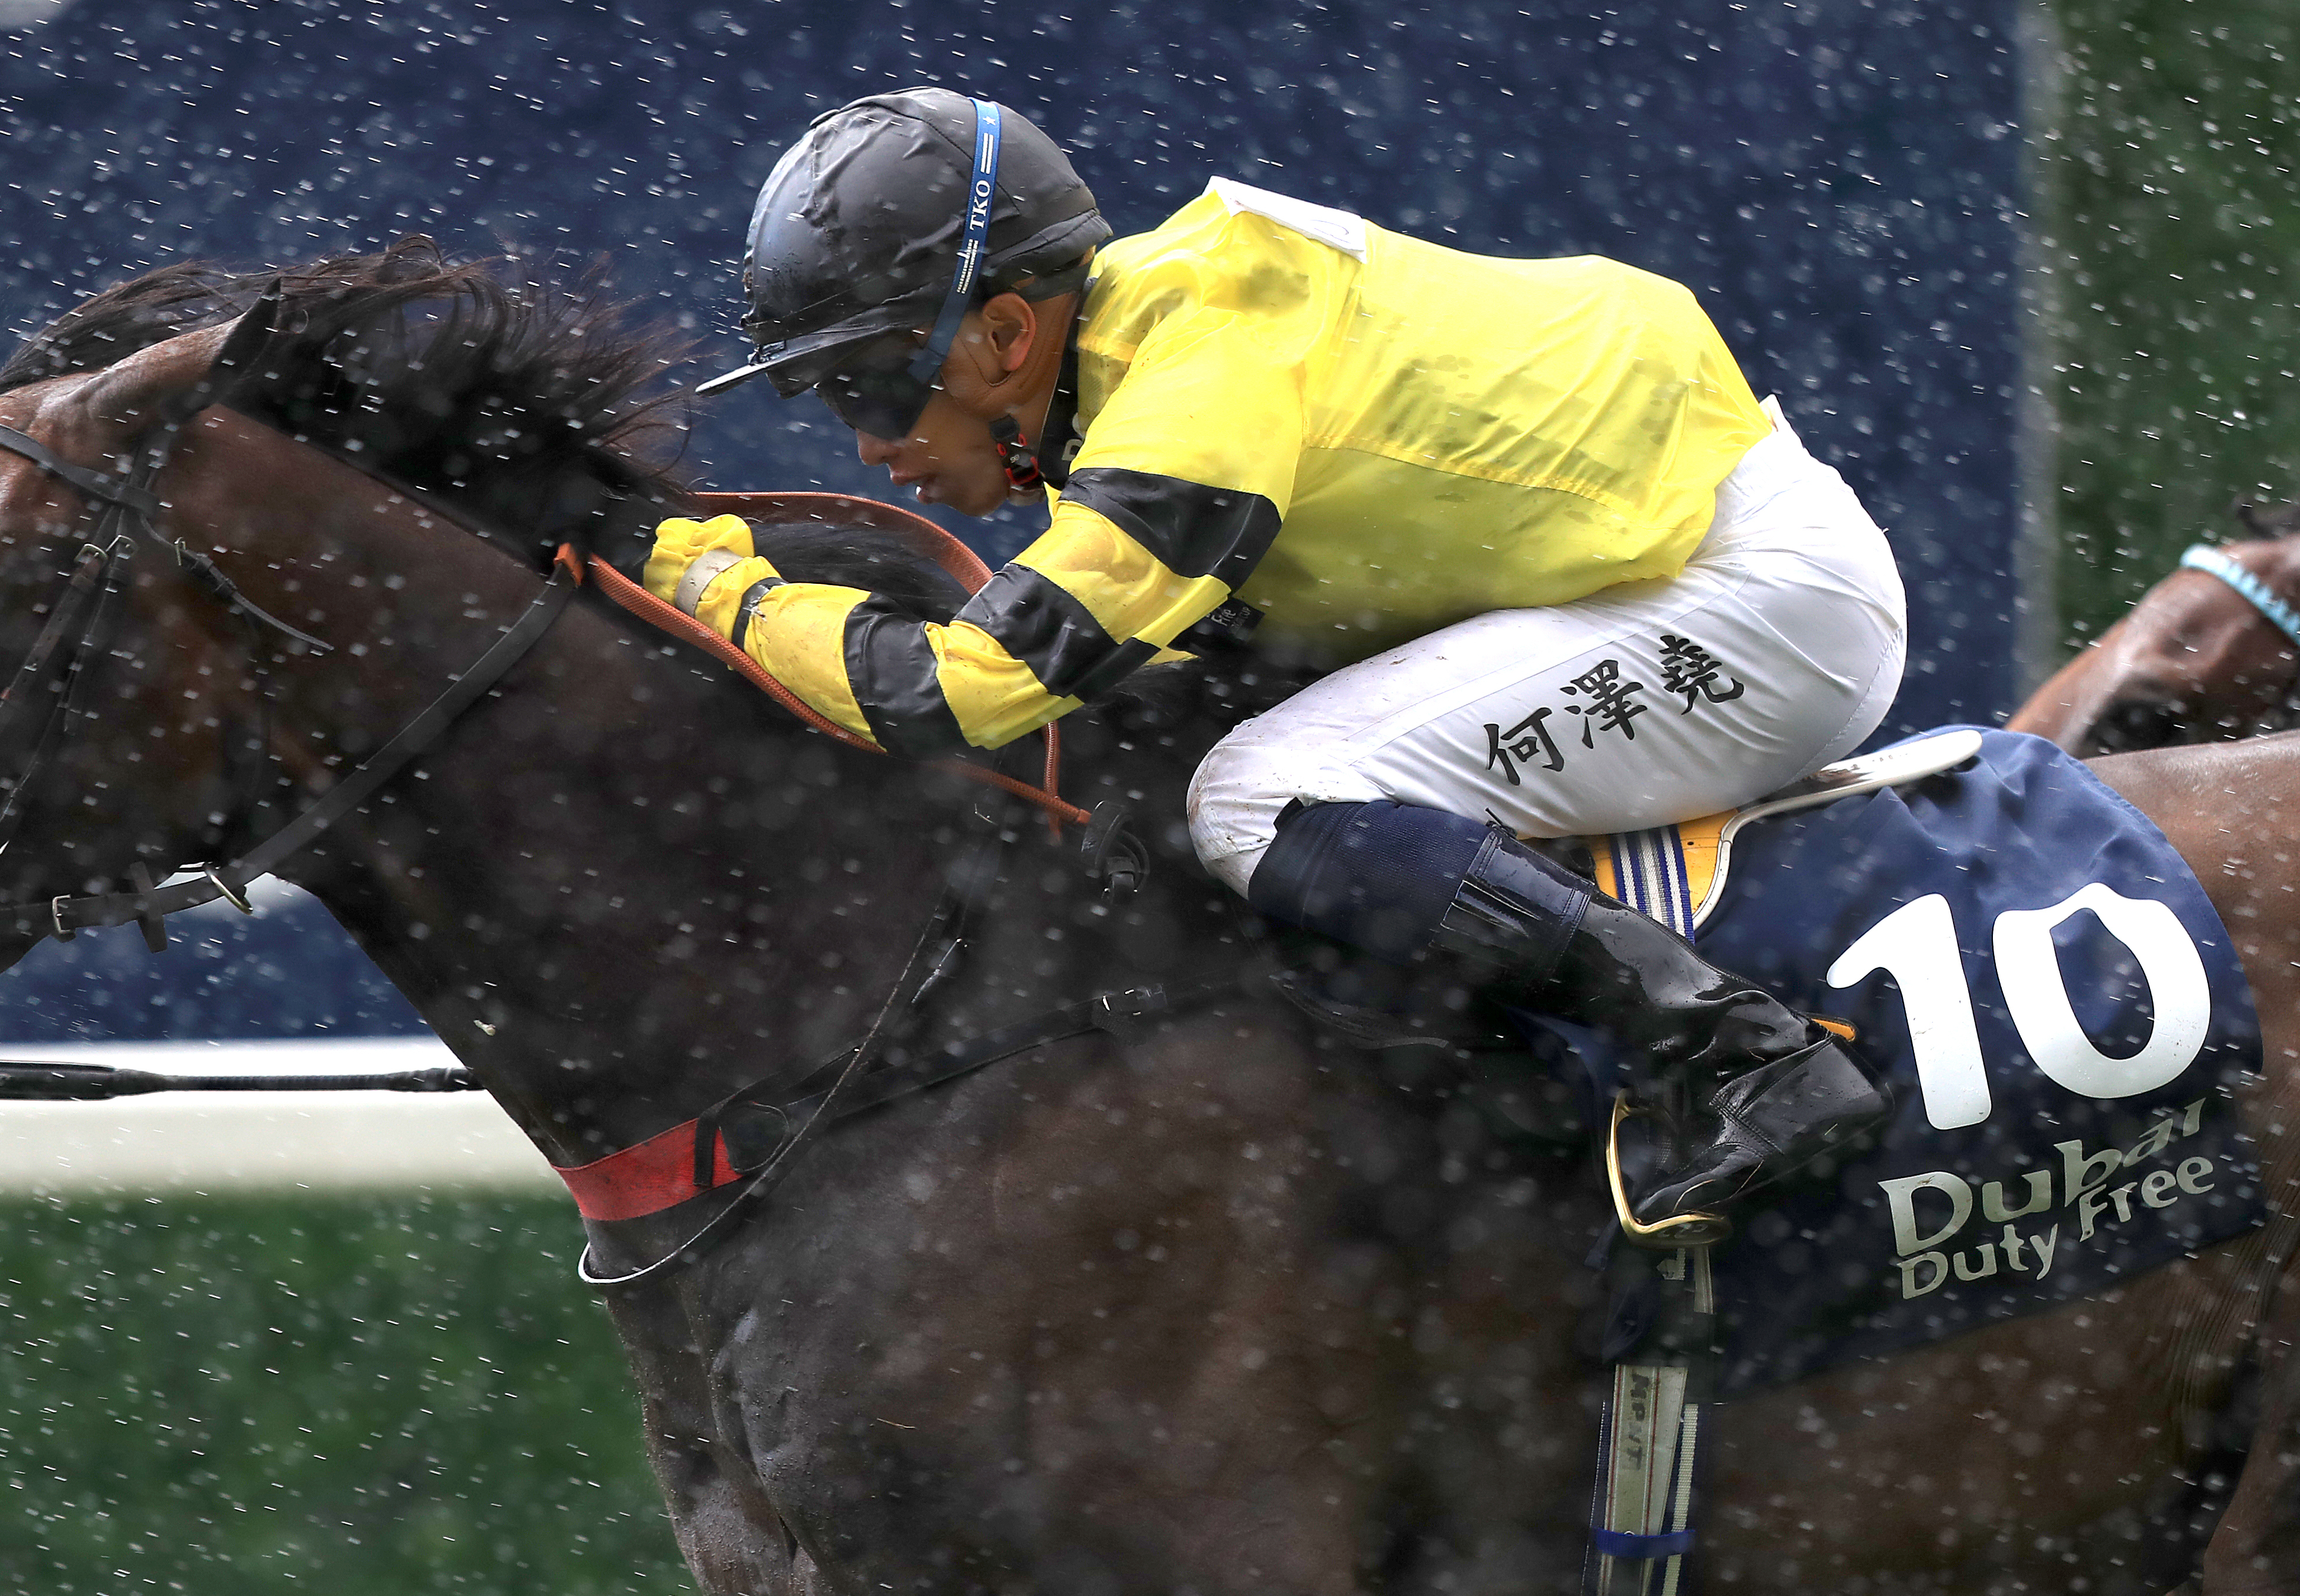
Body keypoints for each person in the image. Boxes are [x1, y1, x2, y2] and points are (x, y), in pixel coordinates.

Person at [661, 88, 1908, 1231]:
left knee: (1258, 796)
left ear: (1003, 332)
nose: (867, 448)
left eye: (866, 390)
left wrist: (712, 587)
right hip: (1654, 556)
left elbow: (955, 689)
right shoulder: (1142, 359)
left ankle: (1746, 1056)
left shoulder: (1201, 384)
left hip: (1760, 605)